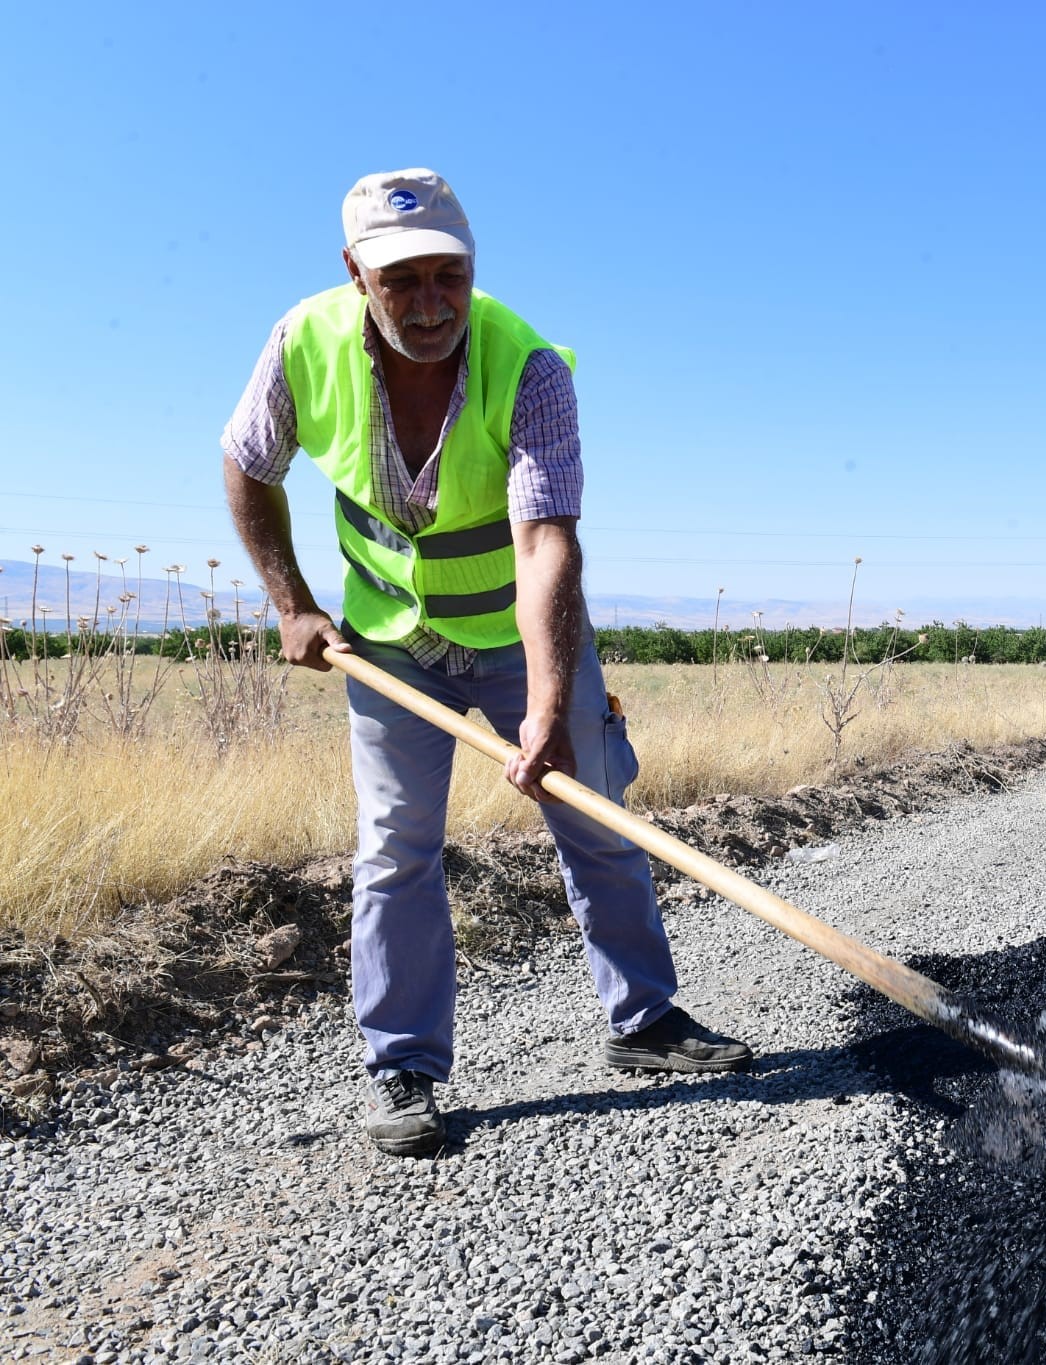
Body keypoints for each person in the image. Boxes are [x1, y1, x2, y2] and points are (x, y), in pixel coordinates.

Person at [222, 169, 752, 1158]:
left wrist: (548, 707)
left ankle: (645, 1023)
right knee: (397, 850)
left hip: (522, 641)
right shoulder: (304, 344)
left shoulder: (530, 367)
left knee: (594, 816)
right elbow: (247, 466)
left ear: (473, 267)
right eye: (400, 282)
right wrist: (291, 606)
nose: (429, 306)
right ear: (355, 275)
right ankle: (404, 1066)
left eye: (448, 278)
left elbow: (547, 545)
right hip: (389, 643)